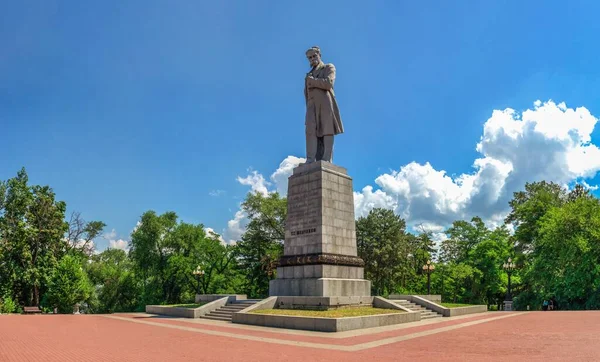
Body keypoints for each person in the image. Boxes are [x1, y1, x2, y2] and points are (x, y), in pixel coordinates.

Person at [304, 46, 344, 163]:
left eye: (314, 56)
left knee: (327, 129)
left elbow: (329, 83)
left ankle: (327, 160)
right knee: (310, 130)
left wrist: (313, 81)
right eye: (309, 57)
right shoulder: (308, 75)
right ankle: (310, 159)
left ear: (319, 55)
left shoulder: (328, 67)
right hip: (311, 105)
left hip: (325, 102)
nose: (312, 59)